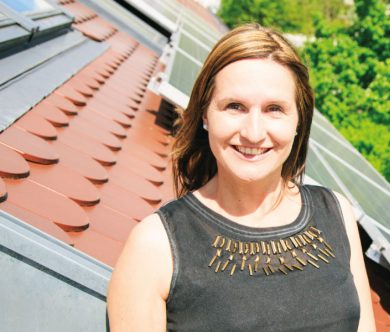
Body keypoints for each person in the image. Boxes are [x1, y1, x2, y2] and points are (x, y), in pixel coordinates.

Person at [107, 23, 375, 331]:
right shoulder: (155, 245)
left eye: (275, 109)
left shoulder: (336, 213)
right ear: (205, 115)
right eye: (235, 107)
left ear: (299, 121)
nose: (254, 132)